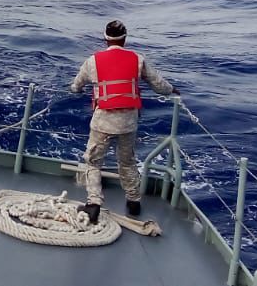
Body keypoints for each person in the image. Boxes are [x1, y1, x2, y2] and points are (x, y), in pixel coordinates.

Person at [69, 20, 180, 222]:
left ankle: (94, 204)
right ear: (124, 38)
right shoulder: (138, 59)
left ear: (105, 38)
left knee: (93, 162)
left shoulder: (92, 61)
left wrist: (75, 89)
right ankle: (133, 201)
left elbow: (77, 85)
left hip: (103, 121)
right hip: (128, 122)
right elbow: (158, 84)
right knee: (127, 162)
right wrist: (172, 90)